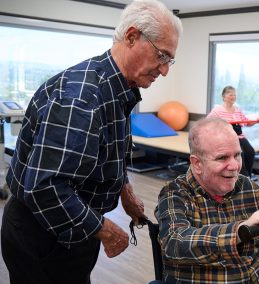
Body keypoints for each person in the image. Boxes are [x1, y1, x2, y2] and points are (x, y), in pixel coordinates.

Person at [1, 1, 183, 283]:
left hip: (71, 231)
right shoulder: (81, 100)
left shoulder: (118, 87)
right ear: (132, 37)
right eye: (162, 55)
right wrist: (105, 229)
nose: (164, 70)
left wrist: (124, 190)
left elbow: (107, 150)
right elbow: (46, 189)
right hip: (43, 236)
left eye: (169, 60)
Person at [155, 117, 259, 284]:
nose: (234, 166)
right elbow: (175, 243)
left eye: (237, 155)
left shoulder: (248, 187)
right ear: (197, 163)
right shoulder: (174, 193)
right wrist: (241, 231)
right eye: (222, 158)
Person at [208, 86, 259, 177]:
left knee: (250, 152)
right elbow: (208, 123)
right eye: (230, 94)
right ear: (224, 96)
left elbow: (246, 122)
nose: (233, 97)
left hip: (239, 136)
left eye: (234, 95)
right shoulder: (217, 110)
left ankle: (248, 177)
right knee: (239, 155)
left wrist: (256, 121)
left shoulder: (237, 110)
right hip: (227, 138)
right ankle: (241, 179)